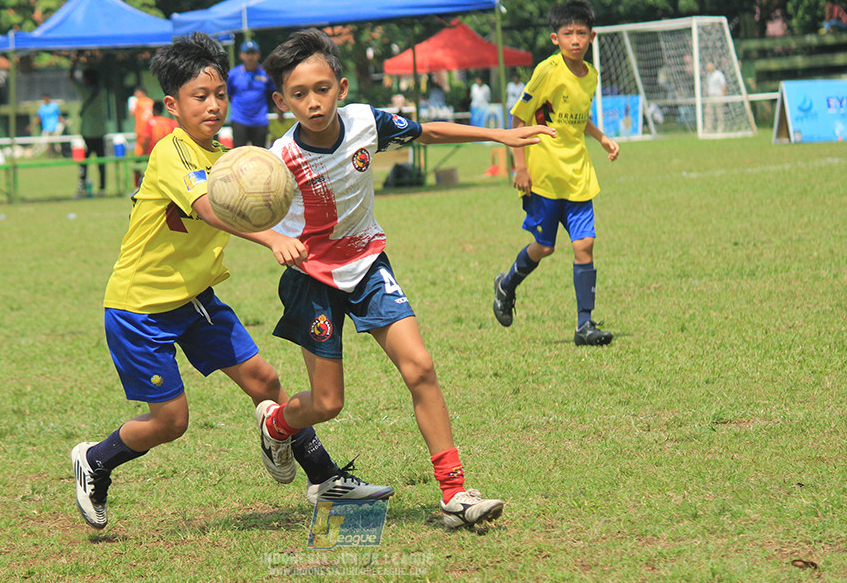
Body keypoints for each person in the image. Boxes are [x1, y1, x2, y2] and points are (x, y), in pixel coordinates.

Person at [71, 33, 390, 531]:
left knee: (265, 381)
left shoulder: (226, 155)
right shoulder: (170, 154)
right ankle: (95, 459)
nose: (214, 105)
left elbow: (253, 193)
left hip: (195, 299)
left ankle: (324, 478)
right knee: (171, 423)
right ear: (173, 105)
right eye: (201, 97)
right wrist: (271, 240)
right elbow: (212, 208)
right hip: (140, 308)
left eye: (220, 94)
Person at [257, 28, 554, 530]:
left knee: (420, 367)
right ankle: (276, 424)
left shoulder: (364, 122)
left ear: (342, 87)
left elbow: (428, 131)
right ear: (281, 101)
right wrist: (273, 239)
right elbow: (241, 209)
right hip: (311, 277)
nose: (313, 102)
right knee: (328, 403)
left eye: (322, 89)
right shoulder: (278, 159)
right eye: (299, 94)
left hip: (368, 264)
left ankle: (455, 493)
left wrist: (501, 136)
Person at [492, 0, 620, 346]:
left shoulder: (591, 75)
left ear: (591, 37)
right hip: (544, 176)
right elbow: (518, 119)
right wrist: (520, 166)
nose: (575, 40)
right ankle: (506, 285)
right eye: (568, 34)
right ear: (555, 38)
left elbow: (579, 116)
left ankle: (584, 325)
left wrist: (602, 138)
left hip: (578, 175)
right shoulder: (547, 71)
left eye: (581, 33)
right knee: (544, 247)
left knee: (585, 245)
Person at [227, 40, 282, 147]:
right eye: (247, 53)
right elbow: (227, 94)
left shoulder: (265, 73)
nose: (250, 57)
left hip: (260, 120)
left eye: (253, 53)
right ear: (241, 55)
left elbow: (273, 93)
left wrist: (279, 111)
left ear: (258, 55)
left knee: (259, 154)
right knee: (238, 154)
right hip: (239, 119)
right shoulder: (233, 74)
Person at [70, 60, 108, 197]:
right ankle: (102, 188)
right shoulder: (101, 91)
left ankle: (82, 186)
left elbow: (71, 77)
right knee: (101, 162)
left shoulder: (85, 91)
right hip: (100, 131)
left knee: (84, 163)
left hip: (87, 132)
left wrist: (76, 60)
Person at [704, 61, 726, 133]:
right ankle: (708, 128)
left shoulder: (719, 74)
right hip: (710, 96)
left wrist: (723, 96)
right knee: (708, 113)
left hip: (718, 95)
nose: (708, 68)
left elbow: (723, 85)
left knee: (719, 113)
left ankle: (720, 128)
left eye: (709, 66)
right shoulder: (708, 75)